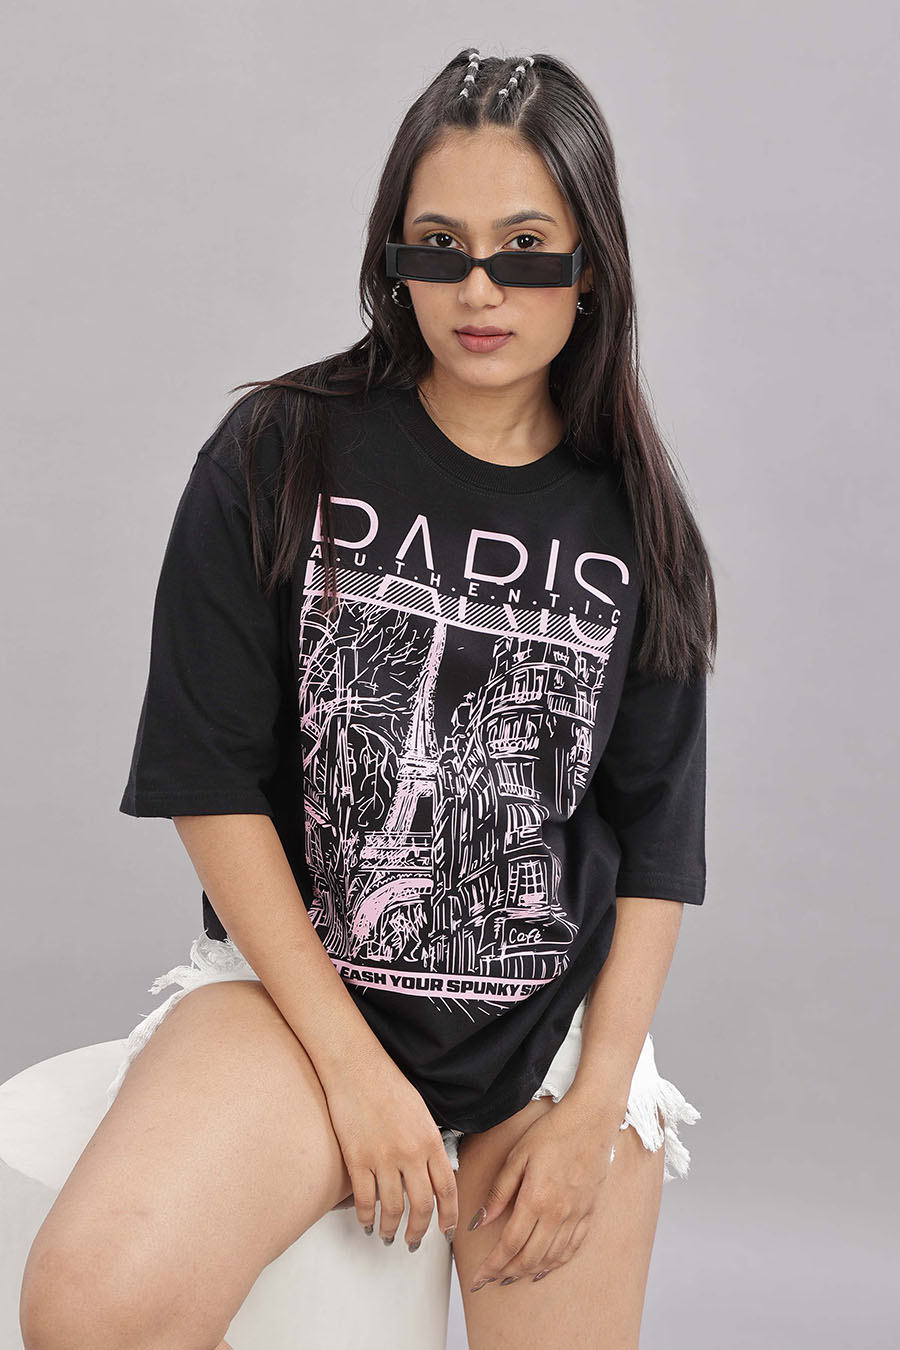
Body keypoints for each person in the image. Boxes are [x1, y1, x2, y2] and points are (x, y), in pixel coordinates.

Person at [20, 47, 715, 1350]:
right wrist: (351, 1069)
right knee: (92, 1307)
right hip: (297, 1004)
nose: (479, 288)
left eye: (525, 249)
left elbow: (657, 844)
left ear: (592, 266)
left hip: (546, 1038)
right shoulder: (280, 451)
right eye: (439, 246)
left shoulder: (638, 524)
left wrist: (595, 1100)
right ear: (394, 256)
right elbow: (208, 774)